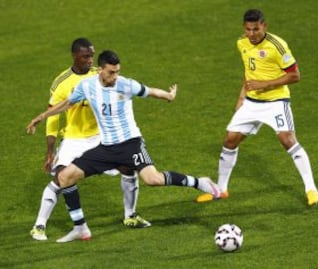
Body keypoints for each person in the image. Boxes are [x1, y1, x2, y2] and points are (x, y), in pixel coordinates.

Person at [27, 49, 221, 239]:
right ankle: (81, 228)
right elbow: (67, 103)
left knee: (153, 180)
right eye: (111, 72)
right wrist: (41, 117)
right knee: (65, 176)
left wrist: (168, 96)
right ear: (101, 70)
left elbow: (150, 91)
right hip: (106, 148)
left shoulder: (125, 85)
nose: (115, 76)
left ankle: (200, 182)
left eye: (118, 71)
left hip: (131, 144)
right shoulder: (87, 86)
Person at [195, 9, 318, 206]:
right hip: (252, 103)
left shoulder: (277, 46)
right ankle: (221, 190)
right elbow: (248, 72)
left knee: (287, 139)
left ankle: (311, 189)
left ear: (264, 26)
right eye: (248, 29)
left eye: (256, 29)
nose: (252, 34)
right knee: (230, 139)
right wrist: (241, 97)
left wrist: (265, 85)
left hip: (276, 102)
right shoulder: (242, 43)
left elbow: (295, 76)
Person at [30, 39, 150, 244]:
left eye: (92, 56)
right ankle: (39, 225)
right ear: (74, 56)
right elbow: (53, 116)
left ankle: (130, 215)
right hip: (73, 138)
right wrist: (50, 151)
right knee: (60, 178)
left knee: (128, 167)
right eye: (86, 56)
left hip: (100, 137)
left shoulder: (101, 74)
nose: (89, 60)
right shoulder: (62, 82)